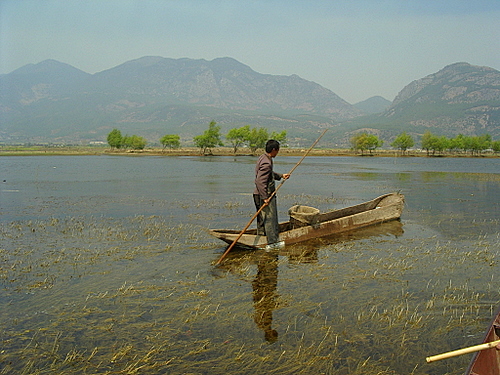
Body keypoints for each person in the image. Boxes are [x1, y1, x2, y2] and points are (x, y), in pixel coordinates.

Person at [253, 139, 290, 249]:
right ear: (274, 150)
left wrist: (281, 176)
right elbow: (260, 181)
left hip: (258, 194)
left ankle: (261, 236)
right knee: (270, 219)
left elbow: (268, 174)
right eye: (277, 151)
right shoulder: (267, 162)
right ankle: (272, 242)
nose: (277, 153)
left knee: (261, 219)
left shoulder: (263, 157)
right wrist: (265, 198)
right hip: (264, 195)